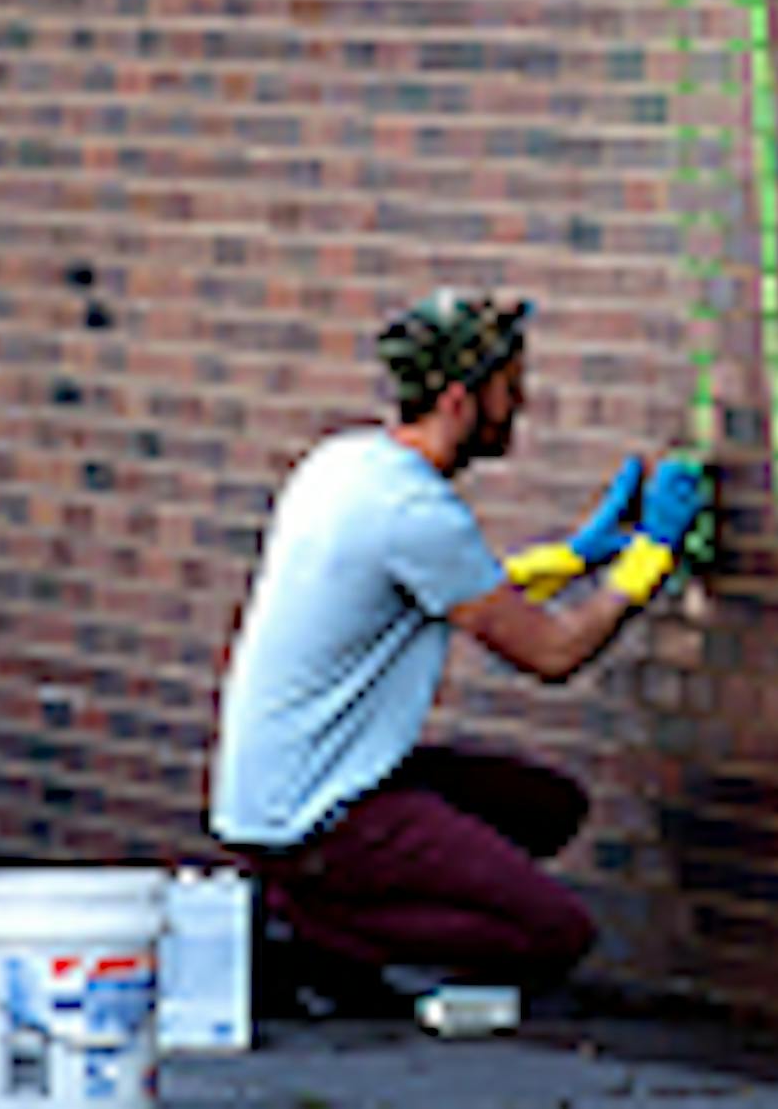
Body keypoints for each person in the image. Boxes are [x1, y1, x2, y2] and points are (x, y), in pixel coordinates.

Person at [208, 287, 708, 1017]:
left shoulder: (347, 464)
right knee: (554, 934)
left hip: (292, 787)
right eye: (510, 388)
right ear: (458, 401)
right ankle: (312, 931)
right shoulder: (412, 512)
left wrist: (576, 557)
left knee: (545, 809)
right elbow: (553, 653)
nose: (522, 405)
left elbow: (460, 587)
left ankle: (328, 920)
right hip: (315, 815)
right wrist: (649, 560)